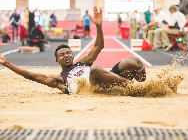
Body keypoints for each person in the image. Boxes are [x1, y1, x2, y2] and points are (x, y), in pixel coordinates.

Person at [0, 7, 146, 95]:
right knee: (94, 69)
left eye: (68, 52)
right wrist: (7, 63)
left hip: (108, 78)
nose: (66, 55)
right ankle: (134, 88)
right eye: (62, 55)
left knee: (135, 61)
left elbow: (98, 46)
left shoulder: (82, 62)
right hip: (97, 87)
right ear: (57, 61)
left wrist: (99, 27)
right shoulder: (60, 80)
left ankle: (144, 84)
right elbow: (31, 75)